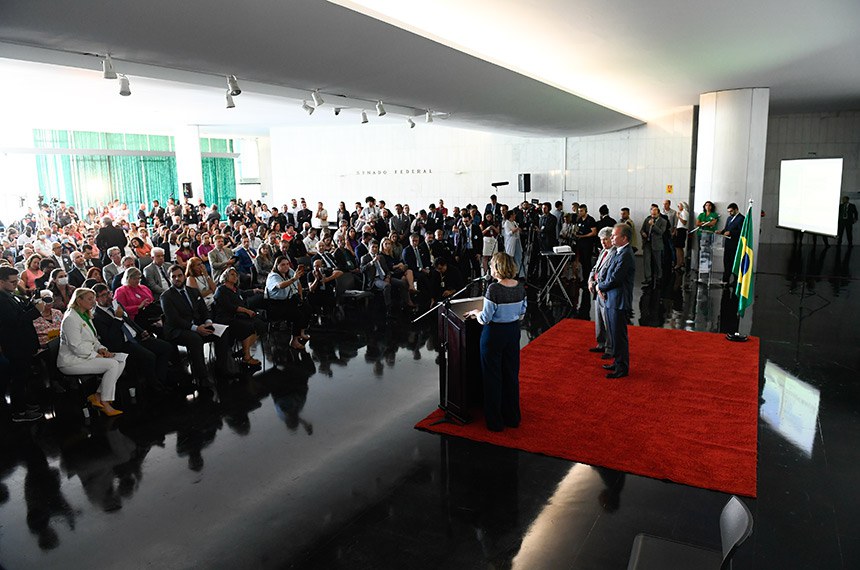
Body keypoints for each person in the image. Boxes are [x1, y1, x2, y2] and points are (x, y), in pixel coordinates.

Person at [466, 252, 526, 432]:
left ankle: (495, 422)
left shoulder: (494, 289)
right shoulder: (520, 287)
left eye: (492, 265)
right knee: (510, 374)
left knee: (492, 377)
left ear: (498, 267)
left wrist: (476, 312)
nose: (490, 268)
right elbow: (522, 314)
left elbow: (485, 319)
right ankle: (512, 417)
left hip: (494, 335)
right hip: (513, 333)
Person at [92, 283, 174, 394]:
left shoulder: (116, 304)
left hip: (136, 337)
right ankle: (156, 387)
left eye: (108, 293)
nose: (109, 297)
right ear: (96, 299)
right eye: (104, 295)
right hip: (123, 344)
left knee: (166, 347)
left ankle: (159, 380)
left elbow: (129, 321)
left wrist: (141, 331)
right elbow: (110, 338)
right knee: (149, 357)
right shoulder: (97, 317)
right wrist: (117, 318)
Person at [57, 288, 126, 416]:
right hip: (71, 362)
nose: (93, 302)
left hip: (85, 355)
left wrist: (102, 349)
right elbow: (75, 347)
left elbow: (93, 339)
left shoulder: (85, 314)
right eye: (90, 299)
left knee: (121, 360)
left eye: (93, 298)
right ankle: (105, 402)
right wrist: (96, 355)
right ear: (79, 300)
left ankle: (98, 395)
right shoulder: (70, 318)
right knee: (112, 364)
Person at [160, 265, 231, 387]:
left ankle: (222, 368)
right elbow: (174, 320)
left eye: (180, 275)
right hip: (178, 330)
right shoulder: (166, 297)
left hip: (198, 325)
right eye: (174, 277)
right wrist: (196, 329)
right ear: (169, 278)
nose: (177, 279)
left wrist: (208, 321)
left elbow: (204, 310)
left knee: (222, 332)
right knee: (195, 339)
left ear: (184, 276)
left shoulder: (193, 291)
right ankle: (202, 377)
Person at [0, 266, 45, 422]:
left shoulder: (9, 295)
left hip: (22, 344)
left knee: (23, 376)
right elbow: (15, 322)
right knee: (18, 379)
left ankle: (24, 405)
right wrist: (36, 312)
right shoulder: (1, 299)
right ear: (1, 282)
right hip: (15, 345)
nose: (15, 285)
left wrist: (32, 304)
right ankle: (19, 412)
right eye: (12, 282)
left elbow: (19, 312)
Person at [596, 224, 635, 379]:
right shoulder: (619, 252)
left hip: (618, 300)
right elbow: (606, 273)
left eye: (614, 235)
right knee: (613, 333)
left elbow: (615, 279)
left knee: (619, 336)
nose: (611, 238)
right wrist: (602, 286)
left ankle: (622, 367)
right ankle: (617, 361)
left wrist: (600, 286)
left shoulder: (625, 254)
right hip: (611, 298)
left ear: (624, 238)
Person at [213, 267, 263, 367]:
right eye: (232, 274)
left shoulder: (235, 289)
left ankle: (244, 350)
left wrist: (255, 290)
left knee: (260, 324)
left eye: (236, 275)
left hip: (237, 316)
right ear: (225, 276)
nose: (235, 276)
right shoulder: (221, 290)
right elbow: (229, 307)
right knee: (247, 327)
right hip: (225, 318)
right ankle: (246, 357)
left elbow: (243, 293)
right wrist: (246, 311)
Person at [265, 256, 310, 350]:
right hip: (276, 304)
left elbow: (298, 283)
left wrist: (300, 297)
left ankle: (301, 332)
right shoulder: (273, 276)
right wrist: (293, 279)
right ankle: (294, 341)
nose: (286, 267)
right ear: (277, 266)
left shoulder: (289, 271)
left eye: (287, 264)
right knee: (297, 315)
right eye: (283, 265)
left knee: (307, 308)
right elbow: (280, 286)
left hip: (289, 300)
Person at [588, 227, 616, 359]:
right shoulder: (603, 252)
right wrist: (590, 280)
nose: (603, 242)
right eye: (601, 240)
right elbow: (595, 268)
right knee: (598, 319)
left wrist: (600, 286)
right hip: (596, 289)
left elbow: (611, 276)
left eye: (605, 239)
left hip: (605, 291)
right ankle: (601, 344)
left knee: (607, 321)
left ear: (612, 238)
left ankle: (610, 348)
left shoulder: (615, 253)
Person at [640, 204, 668, 286]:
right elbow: (642, 230)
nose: (653, 216)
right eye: (652, 214)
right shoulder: (647, 220)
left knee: (657, 261)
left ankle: (659, 276)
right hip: (647, 243)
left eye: (654, 214)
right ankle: (648, 278)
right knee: (647, 261)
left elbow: (661, 232)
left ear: (658, 213)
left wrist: (653, 225)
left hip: (657, 243)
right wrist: (643, 233)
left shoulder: (663, 221)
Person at [719, 203, 745, 285]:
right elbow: (726, 228)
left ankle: (736, 281)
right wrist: (721, 232)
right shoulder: (729, 218)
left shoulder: (741, 218)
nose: (730, 213)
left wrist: (731, 232)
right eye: (728, 212)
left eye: (731, 211)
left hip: (735, 244)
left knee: (734, 262)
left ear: (736, 209)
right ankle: (725, 279)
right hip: (728, 243)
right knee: (726, 262)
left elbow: (741, 231)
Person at [502, 210, 523, 278]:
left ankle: (519, 273)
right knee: (510, 258)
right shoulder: (507, 223)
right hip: (510, 242)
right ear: (511, 215)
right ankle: (509, 273)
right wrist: (516, 229)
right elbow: (508, 233)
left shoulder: (514, 222)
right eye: (514, 214)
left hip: (517, 241)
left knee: (518, 257)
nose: (515, 216)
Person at [673, 201, 689, 270]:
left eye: (679, 206)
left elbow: (684, 222)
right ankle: (681, 262)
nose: (678, 207)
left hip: (682, 230)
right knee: (679, 247)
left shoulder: (684, 212)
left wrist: (678, 216)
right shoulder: (683, 212)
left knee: (678, 247)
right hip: (680, 230)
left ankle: (679, 263)